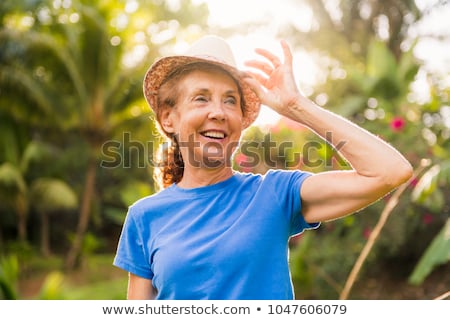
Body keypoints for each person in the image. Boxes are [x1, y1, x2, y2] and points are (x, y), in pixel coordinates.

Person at [113, 35, 413, 300]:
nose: (218, 112)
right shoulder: (144, 217)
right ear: (168, 118)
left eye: (230, 101)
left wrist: (297, 106)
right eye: (201, 98)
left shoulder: (276, 194)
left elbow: (391, 171)